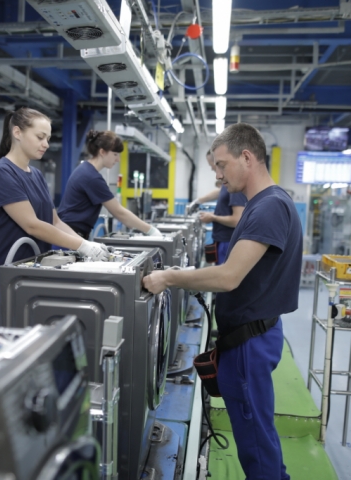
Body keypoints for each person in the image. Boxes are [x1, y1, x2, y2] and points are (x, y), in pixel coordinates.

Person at [143, 123, 299, 480]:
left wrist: (169, 277)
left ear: (247, 157)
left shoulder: (269, 207)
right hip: (249, 337)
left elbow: (229, 276)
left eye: (222, 165)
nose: (218, 175)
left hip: (250, 342)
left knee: (256, 442)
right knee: (256, 436)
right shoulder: (265, 203)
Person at [0, 108, 109, 326]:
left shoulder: (36, 175)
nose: (45, 144)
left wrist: (87, 245)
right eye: (40, 137)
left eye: (48, 139)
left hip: (25, 274)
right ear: (17, 132)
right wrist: (82, 245)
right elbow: (32, 225)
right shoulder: (2, 173)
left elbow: (55, 221)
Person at [58, 130, 161, 238]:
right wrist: (150, 230)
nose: (118, 159)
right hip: (70, 235)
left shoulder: (86, 170)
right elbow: (119, 212)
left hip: (70, 232)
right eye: (115, 154)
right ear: (102, 152)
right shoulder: (91, 177)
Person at [187, 149, 246, 264]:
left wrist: (213, 217)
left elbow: (237, 220)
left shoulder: (235, 184)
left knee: (224, 273)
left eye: (212, 165)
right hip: (222, 240)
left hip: (228, 242)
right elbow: (220, 192)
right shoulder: (227, 181)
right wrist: (198, 201)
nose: (212, 169)